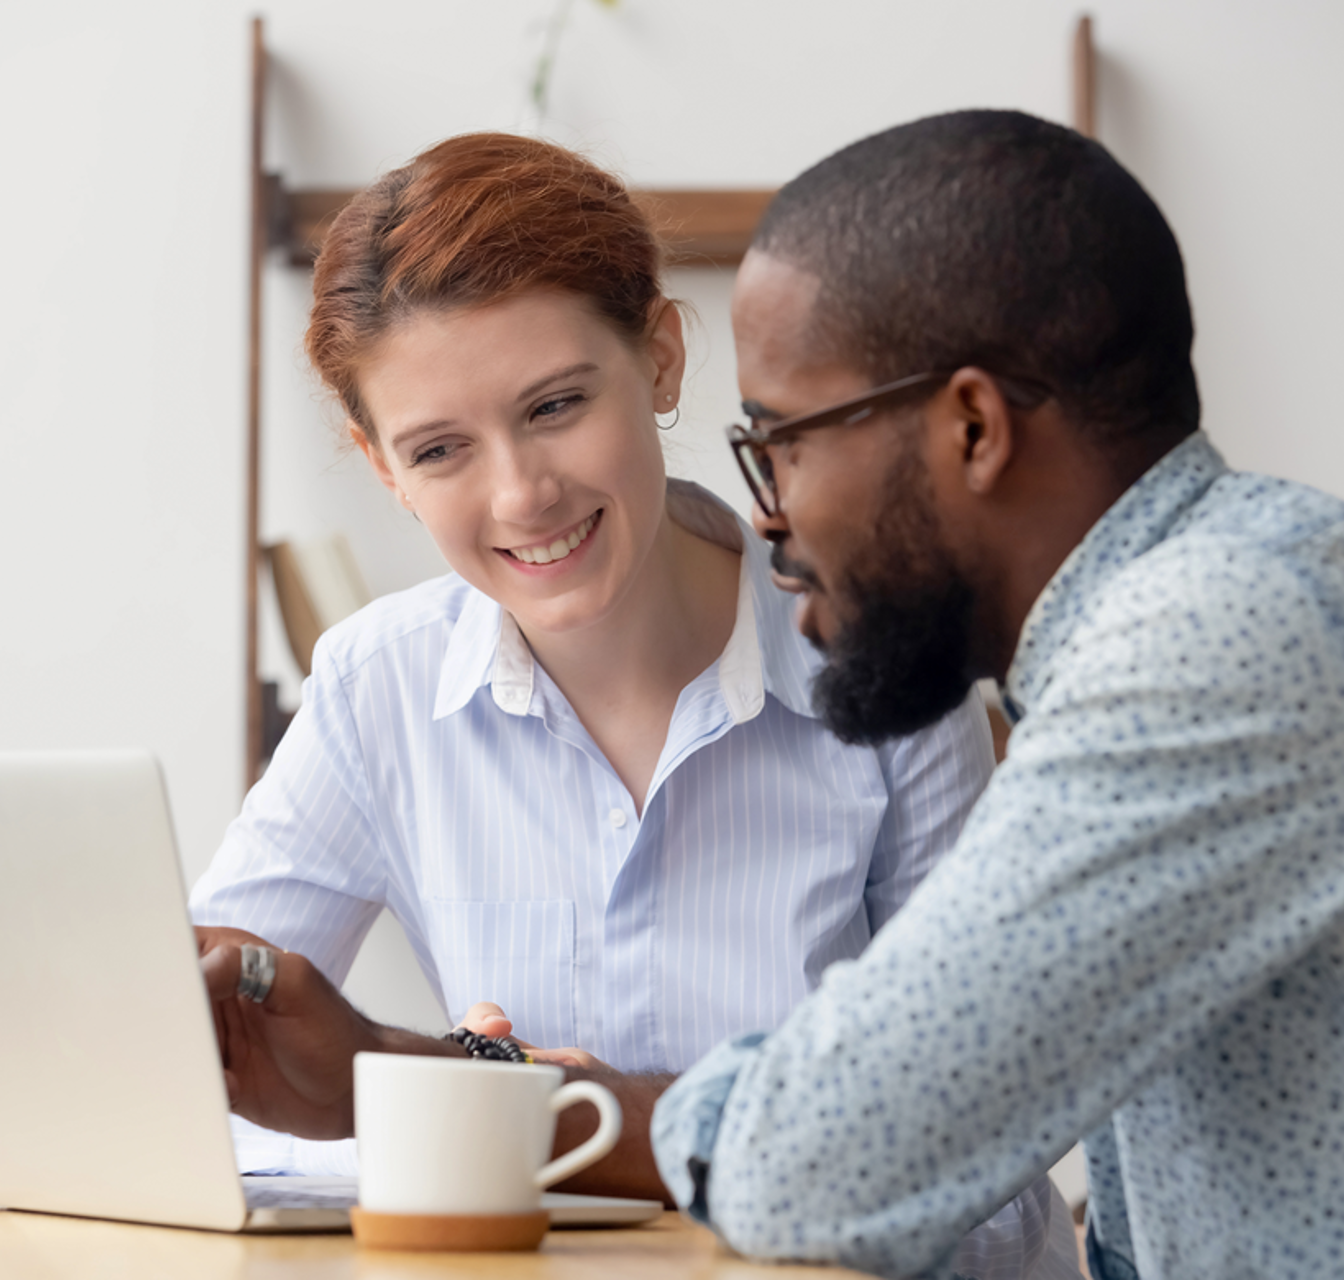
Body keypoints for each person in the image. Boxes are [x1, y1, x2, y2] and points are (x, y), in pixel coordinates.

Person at [648, 109, 1344, 1279]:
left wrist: (589, 1105)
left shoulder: (1221, 631)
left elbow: (814, 1161)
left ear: (973, 426)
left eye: (782, 441)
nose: (768, 513)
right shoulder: (1226, 599)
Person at [191, 132, 1078, 1277]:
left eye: (557, 404)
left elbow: (986, 1107)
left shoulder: (881, 662)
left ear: (660, 360)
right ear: (383, 468)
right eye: (440, 448)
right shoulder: (379, 684)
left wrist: (488, 1098)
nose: (521, 492)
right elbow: (207, 1045)